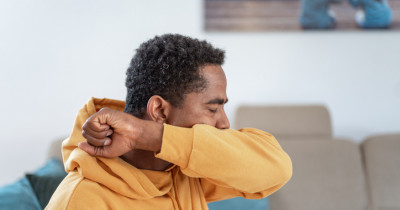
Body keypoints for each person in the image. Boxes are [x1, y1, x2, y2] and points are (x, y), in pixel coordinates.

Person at [46, 34, 292, 210]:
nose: (224, 123)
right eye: (213, 108)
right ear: (160, 110)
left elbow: (277, 170)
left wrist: (146, 135)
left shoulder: (183, 171)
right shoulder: (80, 200)